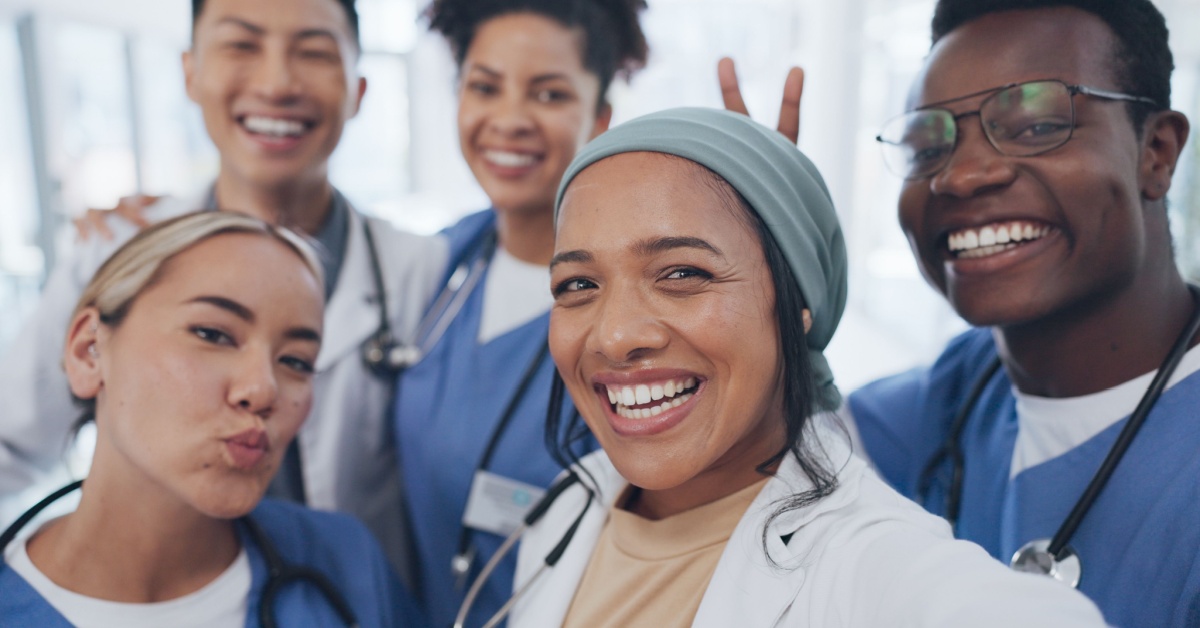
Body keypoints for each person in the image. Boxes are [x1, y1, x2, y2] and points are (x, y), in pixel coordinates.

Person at [491, 106, 1105, 628]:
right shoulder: (573, 503)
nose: (616, 335)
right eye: (577, 283)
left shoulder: (875, 567)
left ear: (797, 306)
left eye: (682, 273)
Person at [0, 0, 447, 576]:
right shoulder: (115, 248)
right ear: (190, 72)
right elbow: (10, 442)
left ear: (359, 90)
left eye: (313, 52)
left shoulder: (423, 270)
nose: (277, 83)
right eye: (241, 45)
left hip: (354, 598)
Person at [838, 3, 1200, 627]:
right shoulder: (950, 395)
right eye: (928, 147)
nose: (961, 176)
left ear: (1157, 153)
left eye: (1036, 125)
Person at [0, 211, 416, 627]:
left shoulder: (346, 561)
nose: (263, 390)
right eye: (212, 334)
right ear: (88, 352)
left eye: (296, 361)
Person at [390, 1, 647, 625]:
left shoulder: (634, 314)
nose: (509, 120)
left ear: (600, 118)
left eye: (549, 93)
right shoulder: (440, 263)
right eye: (485, 87)